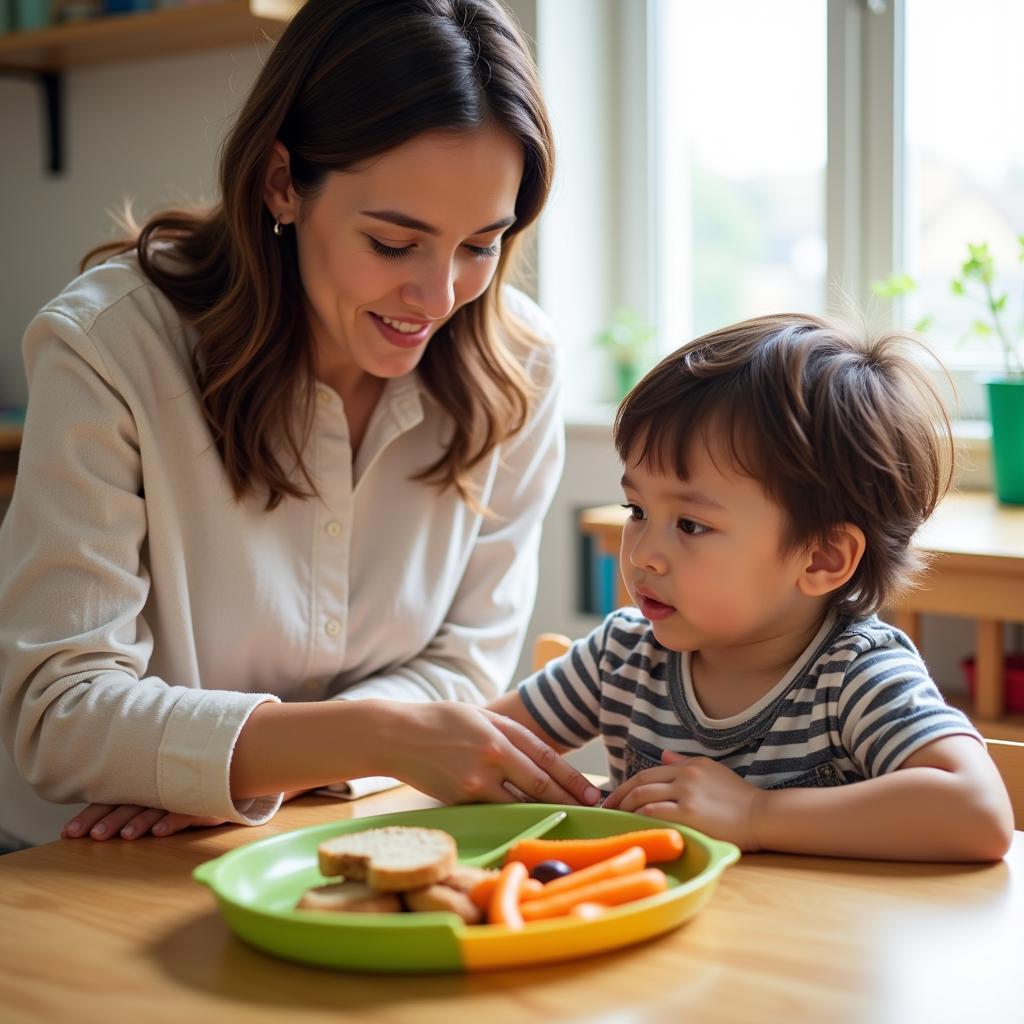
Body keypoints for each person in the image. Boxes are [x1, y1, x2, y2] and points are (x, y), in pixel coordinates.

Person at [0, 0, 603, 852]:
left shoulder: (518, 367)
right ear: (282, 181)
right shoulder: (111, 348)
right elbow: (58, 714)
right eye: (395, 244)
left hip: (328, 835)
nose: (438, 298)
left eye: (481, 244)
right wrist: (366, 740)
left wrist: (232, 761)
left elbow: (466, 662)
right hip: (80, 870)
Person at [489, 313, 1014, 861]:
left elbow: (978, 812)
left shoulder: (852, 675)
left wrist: (755, 815)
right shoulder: (620, 656)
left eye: (691, 525)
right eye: (637, 509)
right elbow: (471, 749)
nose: (642, 553)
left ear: (822, 558)